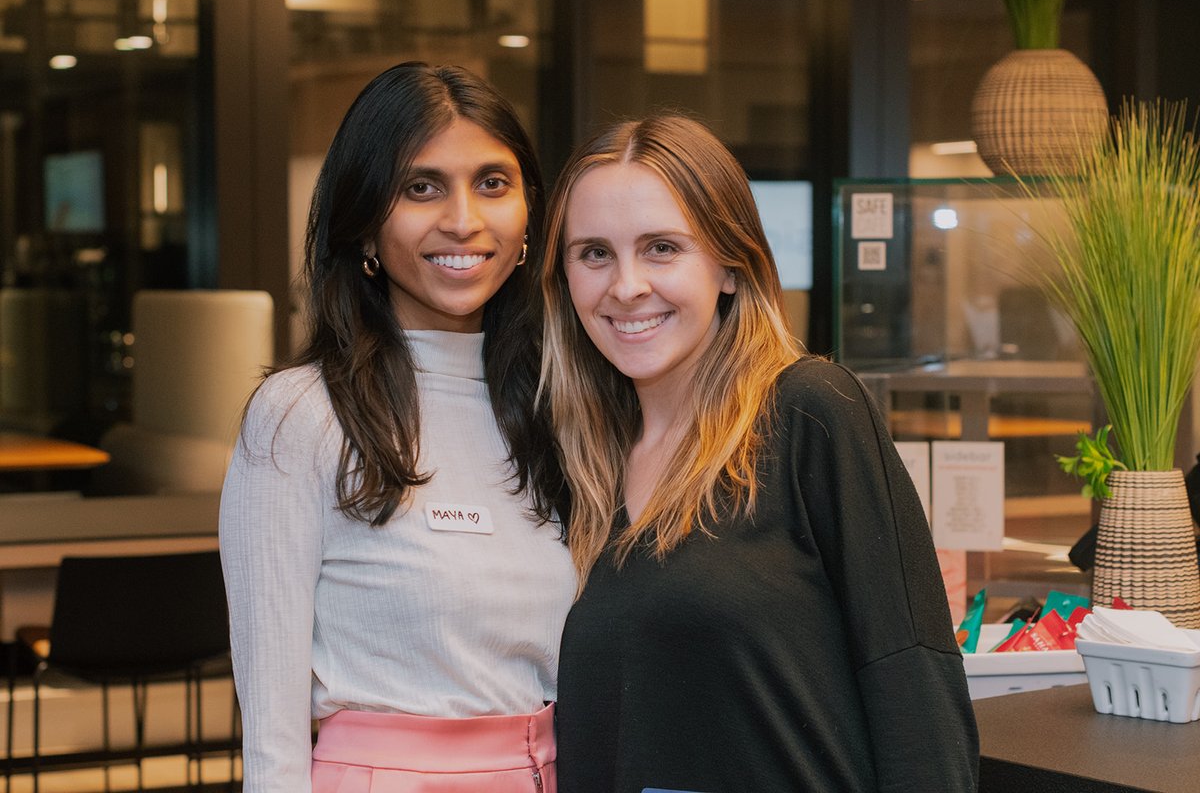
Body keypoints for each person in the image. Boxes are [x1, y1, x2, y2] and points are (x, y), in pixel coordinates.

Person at [539, 115, 979, 792]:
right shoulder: (576, 465)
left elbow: (912, 679)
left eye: (662, 248)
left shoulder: (810, 412)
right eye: (594, 253)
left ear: (731, 266)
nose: (626, 286)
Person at [219, 62, 574, 793]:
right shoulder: (301, 415)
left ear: (530, 215)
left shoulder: (562, 407)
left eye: (493, 183)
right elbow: (272, 730)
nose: (463, 220)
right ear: (365, 224)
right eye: (421, 187)